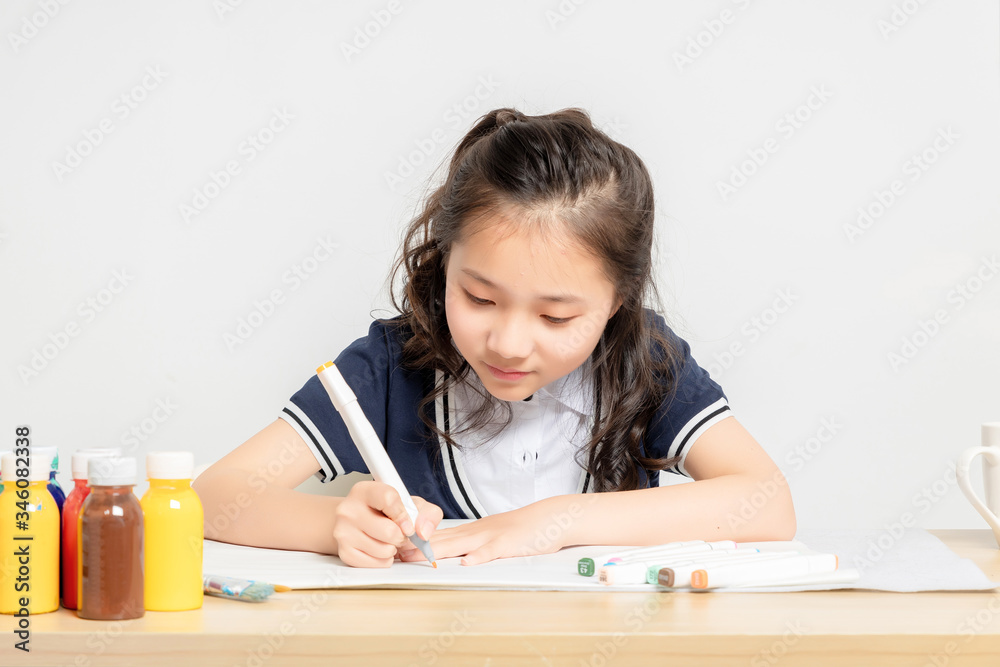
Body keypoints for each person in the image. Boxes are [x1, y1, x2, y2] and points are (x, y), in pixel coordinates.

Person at [194, 107, 796, 568]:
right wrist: (337, 526)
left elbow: (767, 502)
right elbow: (213, 496)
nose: (508, 343)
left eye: (555, 318)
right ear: (444, 261)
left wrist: (554, 521)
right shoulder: (390, 365)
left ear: (618, 300)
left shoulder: (644, 363)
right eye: (479, 298)